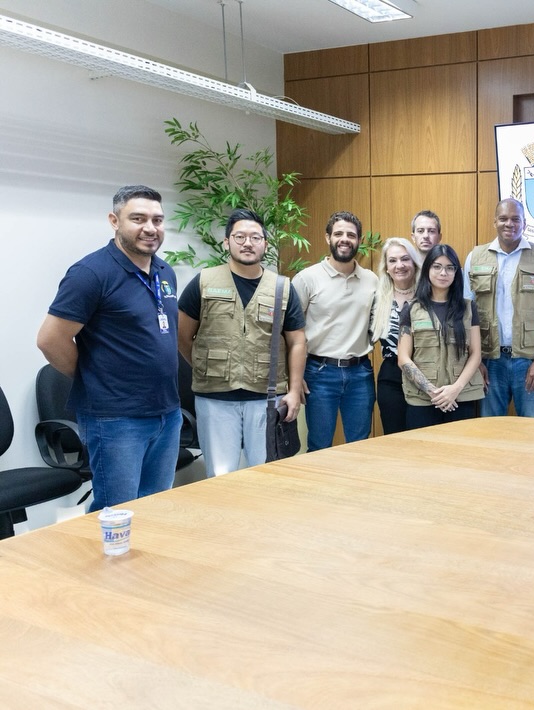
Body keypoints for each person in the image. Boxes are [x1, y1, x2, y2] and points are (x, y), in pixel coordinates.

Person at [37, 185, 182, 511]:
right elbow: (50, 339)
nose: (150, 228)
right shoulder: (91, 274)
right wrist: (94, 376)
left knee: (154, 505)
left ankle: (143, 563)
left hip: (167, 412)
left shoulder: (163, 271)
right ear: (114, 220)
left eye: (157, 220)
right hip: (115, 417)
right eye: (138, 218)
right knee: (116, 511)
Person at [177, 208, 307, 476]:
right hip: (214, 397)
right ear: (227, 242)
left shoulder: (282, 287)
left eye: (255, 237)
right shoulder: (203, 282)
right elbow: (182, 335)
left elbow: (297, 342)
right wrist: (204, 365)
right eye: (240, 237)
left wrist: (294, 391)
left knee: (265, 471)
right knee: (220, 474)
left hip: (267, 396)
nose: (248, 243)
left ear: (265, 244)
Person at [463, 198, 534, 418]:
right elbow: (467, 313)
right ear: (494, 222)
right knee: (491, 432)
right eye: (503, 218)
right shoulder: (475, 257)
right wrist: (474, 360)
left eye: (516, 219)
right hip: (489, 361)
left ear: (524, 223)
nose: (510, 224)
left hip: (529, 361)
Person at [293, 211, 378, 451]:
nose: (345, 239)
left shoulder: (371, 280)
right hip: (319, 374)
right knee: (319, 446)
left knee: (360, 446)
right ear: (327, 238)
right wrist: (294, 379)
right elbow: (288, 332)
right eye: (338, 233)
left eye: (351, 235)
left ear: (359, 240)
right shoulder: (306, 278)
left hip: (360, 374)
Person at [398, 244, 485, 429]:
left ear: (456, 272)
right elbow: (403, 358)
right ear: (427, 269)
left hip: (460, 397)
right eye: (437, 266)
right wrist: (433, 392)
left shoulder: (469, 308)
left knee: (460, 454)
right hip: (422, 399)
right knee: (422, 453)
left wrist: (455, 389)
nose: (443, 273)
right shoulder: (411, 309)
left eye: (449, 267)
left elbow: (476, 354)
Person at [371, 237, 420, 435]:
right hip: (391, 377)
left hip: (424, 371)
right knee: (394, 438)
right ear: (386, 267)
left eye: (405, 259)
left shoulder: (428, 294)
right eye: (392, 260)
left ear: (414, 263)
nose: (399, 265)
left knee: (422, 437)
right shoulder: (377, 298)